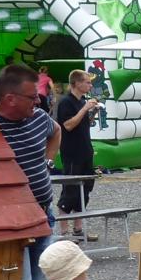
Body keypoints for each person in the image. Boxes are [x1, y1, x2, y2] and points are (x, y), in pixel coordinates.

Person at [0, 63, 61, 280]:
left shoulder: (38, 118)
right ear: (10, 99)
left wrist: (47, 161)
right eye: (32, 97)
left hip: (44, 215)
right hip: (14, 224)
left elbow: (56, 131)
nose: (38, 102)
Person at [55, 70, 101, 239]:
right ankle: (64, 232)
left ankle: (78, 229)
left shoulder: (82, 101)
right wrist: (84, 109)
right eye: (87, 82)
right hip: (72, 152)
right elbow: (68, 125)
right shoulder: (65, 102)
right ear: (76, 83)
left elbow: (83, 125)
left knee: (85, 188)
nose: (90, 85)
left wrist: (92, 113)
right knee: (71, 189)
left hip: (85, 150)